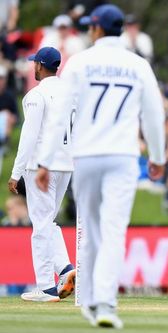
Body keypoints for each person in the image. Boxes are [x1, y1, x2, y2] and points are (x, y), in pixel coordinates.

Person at [35, 4, 165, 328]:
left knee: (92, 232)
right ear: (121, 30)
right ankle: (104, 303)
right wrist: (158, 157)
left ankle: (92, 300)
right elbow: (154, 114)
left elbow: (59, 114)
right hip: (122, 155)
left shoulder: (79, 62)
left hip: (87, 155)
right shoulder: (137, 64)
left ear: (95, 29)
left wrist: (44, 161)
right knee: (113, 231)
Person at [8, 47, 75, 302]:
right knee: (49, 222)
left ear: (39, 66)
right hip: (66, 165)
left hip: (41, 167)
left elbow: (29, 136)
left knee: (40, 226)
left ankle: (46, 287)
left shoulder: (35, 95)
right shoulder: (71, 94)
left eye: (34, 63)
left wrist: (16, 173)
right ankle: (66, 269)